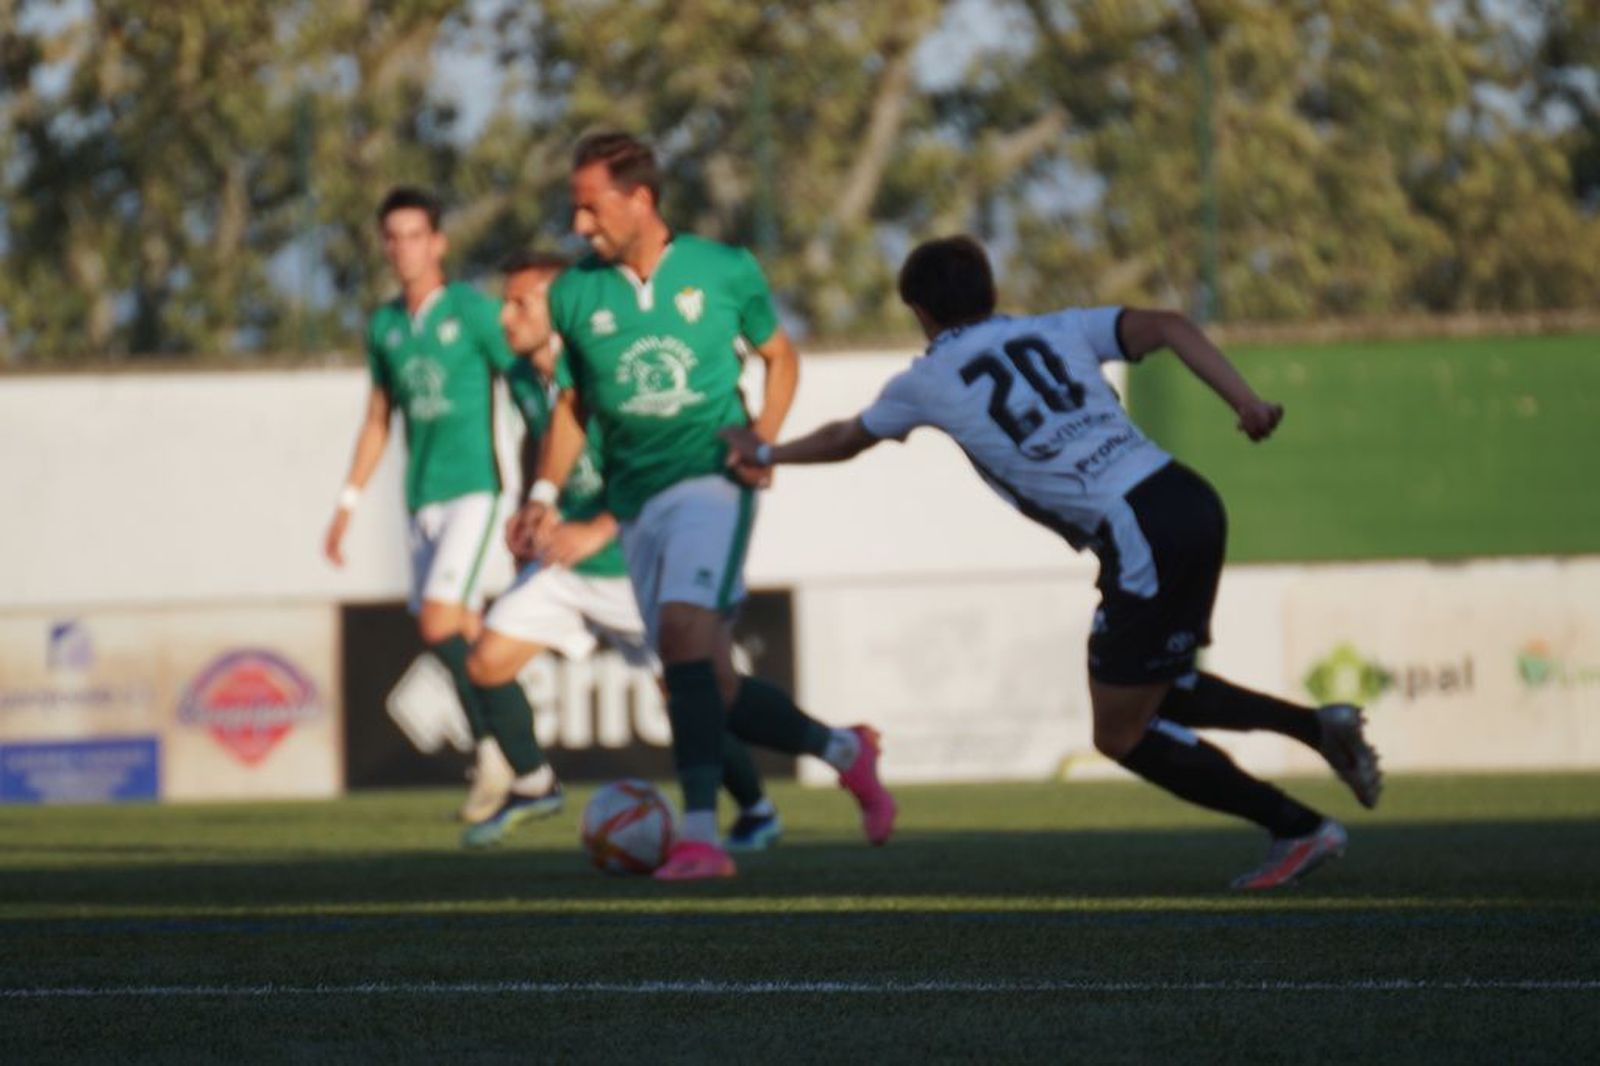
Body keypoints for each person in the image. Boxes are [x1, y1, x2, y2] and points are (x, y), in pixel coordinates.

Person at [720, 234, 1383, 891]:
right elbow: (1170, 325)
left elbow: (846, 438)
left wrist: (767, 453)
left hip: (1137, 528)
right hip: (1187, 498)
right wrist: (1245, 401)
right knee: (1160, 683)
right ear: (993, 292)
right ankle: (1319, 729)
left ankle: (1296, 826)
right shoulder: (1060, 328)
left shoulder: (925, 380)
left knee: (1121, 733)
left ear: (919, 312)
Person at [513, 131, 896, 881]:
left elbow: (779, 356)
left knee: (685, 639)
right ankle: (848, 752)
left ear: (640, 199)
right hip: (635, 503)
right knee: (706, 681)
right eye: (575, 210)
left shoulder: (724, 271)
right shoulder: (574, 292)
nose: (580, 226)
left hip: (712, 482)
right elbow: (575, 404)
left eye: (591, 209)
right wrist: (542, 495)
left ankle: (699, 838)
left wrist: (762, 439)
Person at [463, 250, 785, 851]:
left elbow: (649, 465)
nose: (505, 316)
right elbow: (548, 444)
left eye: (520, 302)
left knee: (693, 697)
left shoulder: (607, 365)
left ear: (558, 307)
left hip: (625, 561)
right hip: (564, 564)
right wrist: (538, 506)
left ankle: (759, 807)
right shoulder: (519, 377)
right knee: (485, 660)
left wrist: (599, 527)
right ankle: (535, 783)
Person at [323, 186, 522, 823]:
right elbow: (378, 418)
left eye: (416, 234)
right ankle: (497, 749)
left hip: (475, 489)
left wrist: (549, 481)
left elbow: (524, 382)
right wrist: (348, 502)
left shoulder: (471, 310)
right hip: (421, 498)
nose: (404, 247)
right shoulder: (384, 326)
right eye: (394, 236)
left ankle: (506, 752)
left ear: (438, 242)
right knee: (457, 631)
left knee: (437, 622)